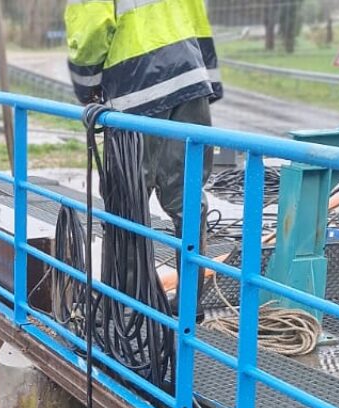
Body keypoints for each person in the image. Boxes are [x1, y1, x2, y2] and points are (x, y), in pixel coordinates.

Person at [65, 0, 223, 236]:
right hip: (190, 79)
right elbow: (196, 14)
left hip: (135, 91)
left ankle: (130, 274)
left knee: (126, 201)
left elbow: (93, 29)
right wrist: (209, 80)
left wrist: (87, 89)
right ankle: (191, 272)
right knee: (186, 196)